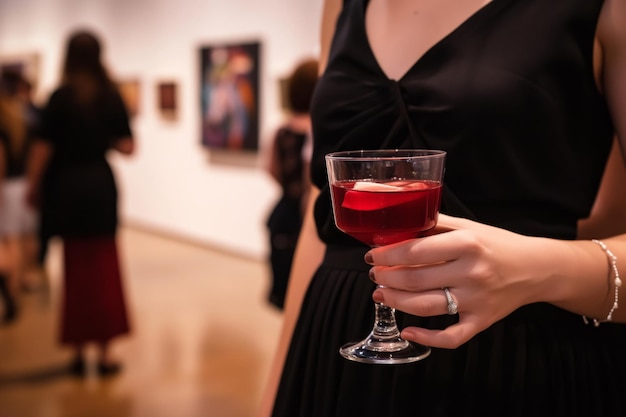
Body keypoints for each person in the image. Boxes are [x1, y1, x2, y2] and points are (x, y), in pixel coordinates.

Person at [259, 0, 626, 416]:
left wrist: (540, 268)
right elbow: (320, 214)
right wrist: (282, 380)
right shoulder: (341, 6)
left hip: (513, 357)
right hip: (336, 343)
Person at [27, 29, 135, 377]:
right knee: (105, 269)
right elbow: (129, 147)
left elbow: (43, 149)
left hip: (67, 188)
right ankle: (105, 355)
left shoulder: (59, 98)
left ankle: (77, 352)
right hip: (100, 187)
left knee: (75, 272)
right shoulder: (109, 95)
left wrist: (32, 186)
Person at [265, 58, 318, 310]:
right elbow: (311, 184)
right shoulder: (316, 130)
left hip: (283, 212)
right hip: (303, 215)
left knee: (285, 286)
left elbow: (271, 169)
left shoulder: (281, 130)